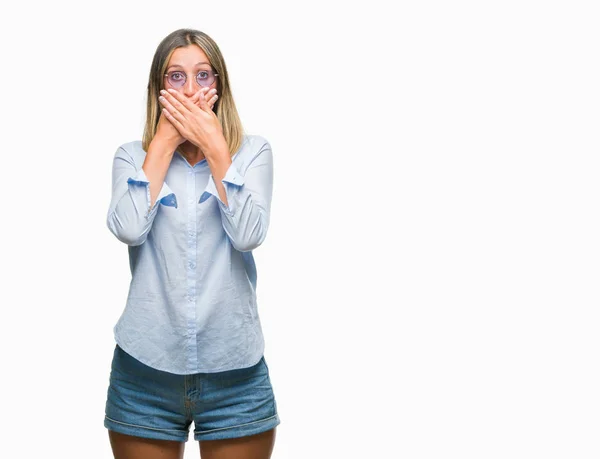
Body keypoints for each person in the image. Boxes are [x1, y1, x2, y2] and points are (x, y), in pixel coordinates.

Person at [103, 28, 279, 459]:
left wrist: (215, 145)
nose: (191, 89)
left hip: (234, 372)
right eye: (176, 77)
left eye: (203, 75)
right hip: (145, 370)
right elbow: (127, 228)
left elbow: (249, 235)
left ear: (218, 86)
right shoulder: (132, 156)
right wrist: (163, 141)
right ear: (159, 88)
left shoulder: (252, 152)